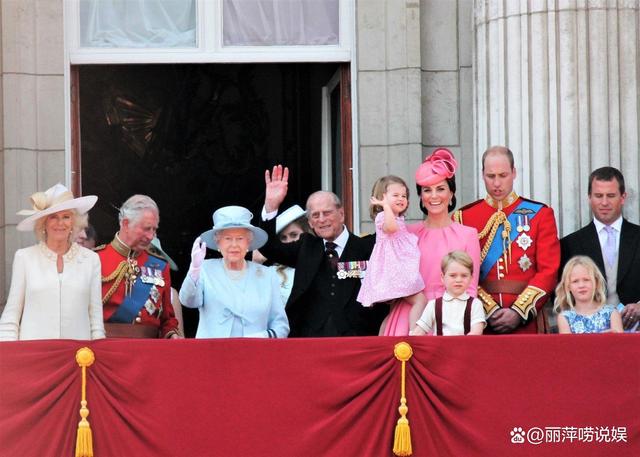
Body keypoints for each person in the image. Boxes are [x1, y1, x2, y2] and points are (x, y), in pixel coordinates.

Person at [258, 165, 387, 337]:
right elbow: (269, 248)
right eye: (315, 215)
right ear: (310, 223)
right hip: (310, 342)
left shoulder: (367, 247)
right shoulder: (306, 247)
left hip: (357, 341)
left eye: (327, 213)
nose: (322, 220)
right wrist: (271, 206)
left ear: (341, 214)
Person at [453, 145, 560, 334]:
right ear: (482, 175)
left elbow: (549, 271)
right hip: (481, 321)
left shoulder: (540, 214)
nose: (496, 183)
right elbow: (460, 270)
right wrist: (488, 309)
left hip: (527, 321)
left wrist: (519, 312)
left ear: (514, 173)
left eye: (503, 175)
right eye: (490, 176)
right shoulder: (464, 218)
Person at [0, 183, 105, 340]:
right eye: (53, 217)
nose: (60, 223)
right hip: (34, 355)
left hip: (78, 355)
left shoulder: (91, 260)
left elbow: (96, 320)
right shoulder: (25, 258)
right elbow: (11, 316)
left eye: (66, 217)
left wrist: (97, 354)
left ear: (74, 222)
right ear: (44, 223)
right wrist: (9, 356)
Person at [396, 148, 481, 334]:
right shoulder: (407, 234)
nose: (434, 196)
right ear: (420, 196)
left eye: (440, 189)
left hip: (452, 317)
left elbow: (471, 288)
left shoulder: (468, 234)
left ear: (451, 194)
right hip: (410, 315)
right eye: (427, 190)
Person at [179, 206, 289, 338]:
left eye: (240, 238)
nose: (234, 245)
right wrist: (194, 269)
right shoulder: (204, 270)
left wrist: (263, 337)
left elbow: (281, 325)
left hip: (255, 353)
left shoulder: (267, 275)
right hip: (212, 353)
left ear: (249, 242)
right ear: (218, 243)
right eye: (227, 239)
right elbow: (188, 301)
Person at [560, 166, 640, 331]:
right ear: (589, 197)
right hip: (589, 336)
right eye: (598, 196)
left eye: (611, 196)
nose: (604, 202)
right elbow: (561, 294)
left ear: (623, 197)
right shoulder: (569, 244)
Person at [97, 194, 181, 338]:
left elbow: (168, 320)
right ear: (125, 224)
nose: (151, 236)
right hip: (108, 348)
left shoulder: (160, 266)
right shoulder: (95, 259)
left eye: (154, 229)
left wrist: (172, 335)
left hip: (148, 351)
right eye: (146, 228)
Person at [356, 175, 426, 335]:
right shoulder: (383, 217)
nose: (401, 199)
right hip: (394, 271)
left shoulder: (397, 217)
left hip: (397, 269)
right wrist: (386, 208)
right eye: (395, 195)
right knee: (420, 299)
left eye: (404, 196)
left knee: (394, 309)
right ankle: (415, 331)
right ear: (382, 198)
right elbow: (391, 228)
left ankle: (383, 336)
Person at [410, 250, 485, 336]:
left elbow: (476, 332)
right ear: (442, 277)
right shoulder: (433, 305)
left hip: (464, 348)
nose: (458, 280)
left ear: (471, 278)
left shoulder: (475, 304)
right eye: (453, 275)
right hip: (439, 349)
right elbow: (419, 331)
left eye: (464, 275)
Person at [554, 256, 623, 333]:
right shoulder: (564, 317)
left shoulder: (612, 313)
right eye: (575, 281)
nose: (581, 285)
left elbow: (621, 342)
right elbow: (567, 344)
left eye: (586, 280)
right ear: (568, 286)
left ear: (596, 282)